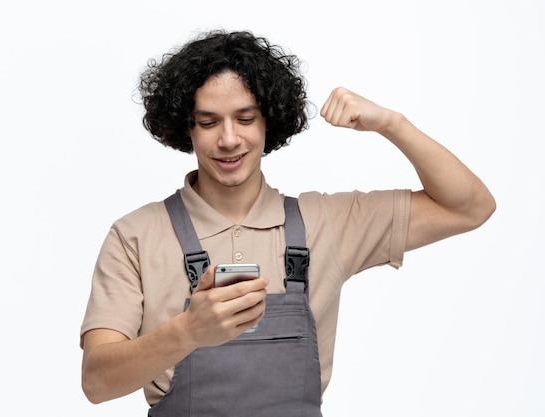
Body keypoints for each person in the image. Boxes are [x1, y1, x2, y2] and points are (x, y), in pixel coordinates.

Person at [79, 30, 495, 415]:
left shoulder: (325, 221)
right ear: (184, 127)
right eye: (208, 122)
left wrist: (392, 124)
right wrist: (189, 331)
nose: (228, 139)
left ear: (268, 121)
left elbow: (469, 207)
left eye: (245, 119)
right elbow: (97, 381)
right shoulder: (136, 234)